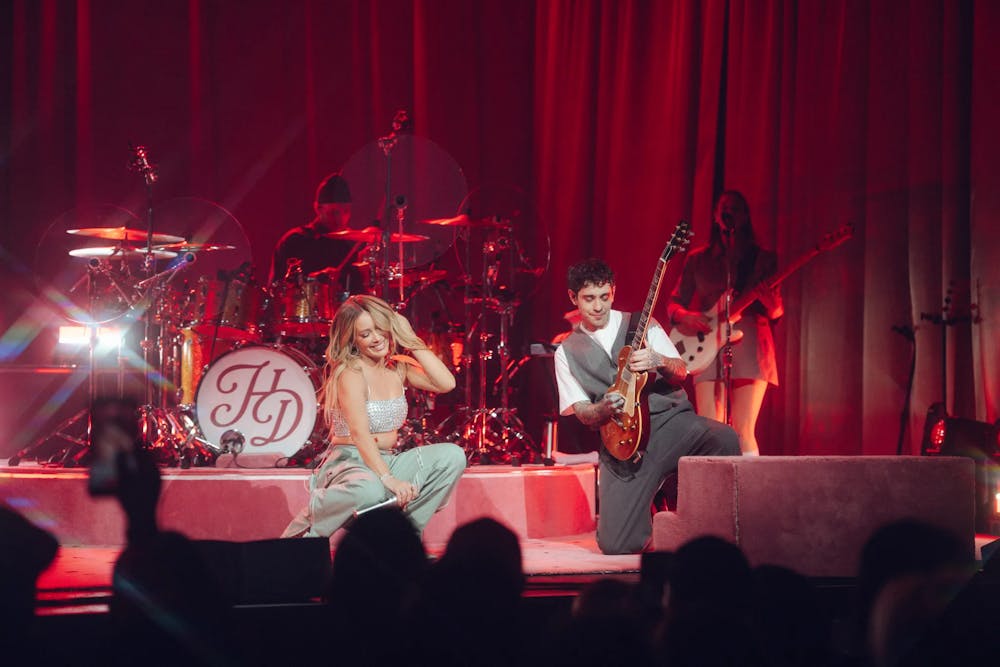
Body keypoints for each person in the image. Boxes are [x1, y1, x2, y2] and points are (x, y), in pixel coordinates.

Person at [554, 259, 740, 555]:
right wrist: (602, 408)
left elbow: (681, 371)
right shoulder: (566, 351)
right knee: (617, 545)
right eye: (589, 299)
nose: (599, 306)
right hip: (623, 445)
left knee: (725, 438)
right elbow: (582, 412)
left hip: (670, 424)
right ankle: (655, 509)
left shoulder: (640, 324)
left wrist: (658, 360)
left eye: (605, 296)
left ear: (613, 292)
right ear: (573, 298)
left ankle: (712, 536)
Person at [283, 294, 466, 538]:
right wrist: (388, 479)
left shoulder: (398, 367)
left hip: (387, 460)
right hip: (350, 464)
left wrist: (410, 339)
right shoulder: (350, 373)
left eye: (380, 329)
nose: (377, 338)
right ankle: (312, 523)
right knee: (369, 489)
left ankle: (404, 538)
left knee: (452, 456)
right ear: (353, 340)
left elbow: (447, 383)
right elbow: (359, 433)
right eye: (366, 334)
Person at [666, 190, 783, 455]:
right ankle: (713, 493)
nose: (730, 212)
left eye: (737, 208)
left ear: (746, 216)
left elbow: (776, 312)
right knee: (710, 428)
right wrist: (687, 316)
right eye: (724, 208)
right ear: (716, 216)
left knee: (744, 429)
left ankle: (751, 493)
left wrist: (772, 303)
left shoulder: (763, 258)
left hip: (751, 338)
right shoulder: (698, 259)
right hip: (706, 341)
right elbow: (673, 303)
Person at [268, 171, 366, 293]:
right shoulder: (295, 241)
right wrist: (316, 279)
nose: (341, 218)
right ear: (318, 208)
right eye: (334, 212)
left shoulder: (353, 244)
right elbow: (277, 287)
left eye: (346, 211)